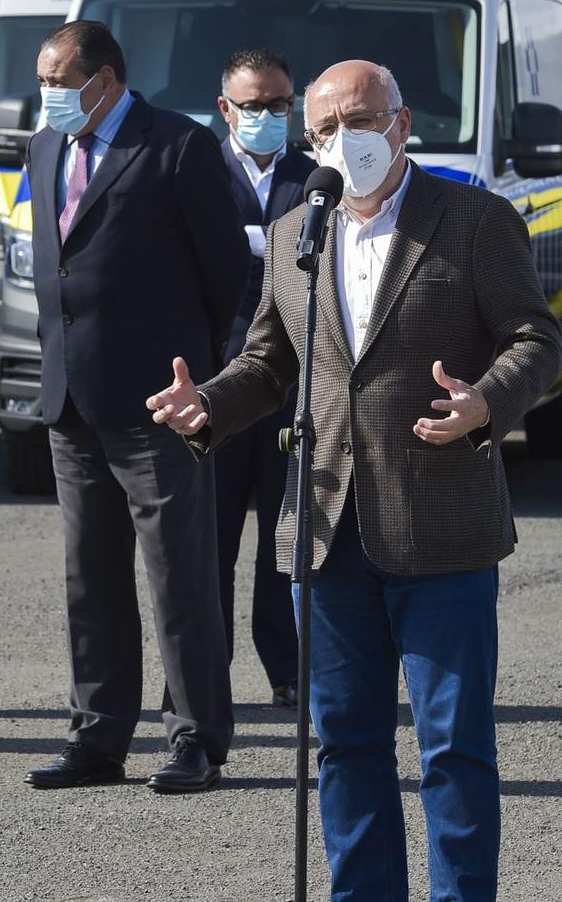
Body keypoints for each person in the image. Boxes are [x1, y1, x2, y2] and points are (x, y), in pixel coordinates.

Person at [148, 60, 562, 899]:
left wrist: (486, 402)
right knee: (344, 742)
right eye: (327, 129)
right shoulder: (303, 231)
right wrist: (208, 408)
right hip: (326, 528)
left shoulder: (475, 219)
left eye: (363, 120)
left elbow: (537, 340)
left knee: (453, 748)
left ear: (402, 124)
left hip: (441, 524)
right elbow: (270, 363)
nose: (347, 139)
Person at [20, 21, 248, 795]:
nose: (46, 95)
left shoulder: (178, 147)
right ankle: (97, 734)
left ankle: (196, 738)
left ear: (107, 80)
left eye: (59, 81)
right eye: (42, 81)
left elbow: (227, 280)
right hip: (72, 399)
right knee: (92, 577)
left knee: (180, 577)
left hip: (160, 401)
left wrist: (207, 387)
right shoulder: (47, 145)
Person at [212, 47, 314, 708]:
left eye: (280, 105)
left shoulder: (317, 177)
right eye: (254, 106)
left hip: (291, 386)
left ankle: (289, 669)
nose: (269, 116)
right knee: (206, 542)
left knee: (288, 538)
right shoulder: (194, 172)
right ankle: (199, 672)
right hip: (215, 385)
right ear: (226, 107)